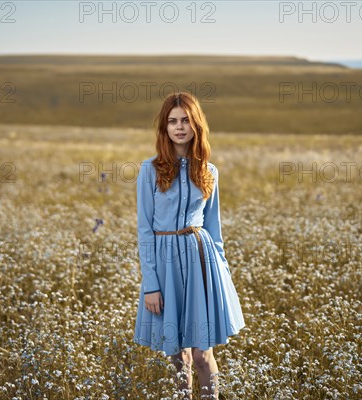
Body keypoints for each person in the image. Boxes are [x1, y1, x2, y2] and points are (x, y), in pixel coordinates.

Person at [133, 92, 245, 399]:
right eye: (172, 121)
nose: (179, 127)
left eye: (185, 120)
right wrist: (150, 285)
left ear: (196, 124)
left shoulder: (209, 171)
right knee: (176, 355)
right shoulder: (150, 170)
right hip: (165, 266)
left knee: (201, 354)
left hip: (201, 263)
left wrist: (223, 277)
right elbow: (144, 230)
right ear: (164, 128)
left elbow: (214, 229)